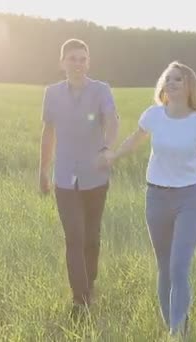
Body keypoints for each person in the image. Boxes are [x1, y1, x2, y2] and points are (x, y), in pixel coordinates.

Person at [103, 61, 196, 337]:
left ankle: (178, 330)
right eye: (169, 79)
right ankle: (172, 325)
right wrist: (113, 156)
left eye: (178, 79)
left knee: (179, 266)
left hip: (189, 199)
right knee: (164, 265)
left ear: (190, 86)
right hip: (156, 197)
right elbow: (134, 140)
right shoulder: (154, 115)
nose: (172, 83)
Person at [39, 38, 119, 317]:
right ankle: (80, 300)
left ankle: (89, 284)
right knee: (74, 236)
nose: (78, 64)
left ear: (89, 63)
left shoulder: (101, 90)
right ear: (62, 63)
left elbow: (112, 120)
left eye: (83, 59)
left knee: (91, 239)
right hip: (64, 178)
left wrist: (108, 148)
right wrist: (43, 170)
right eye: (72, 58)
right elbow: (48, 134)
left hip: (95, 177)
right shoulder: (51, 93)